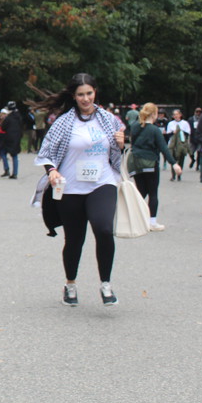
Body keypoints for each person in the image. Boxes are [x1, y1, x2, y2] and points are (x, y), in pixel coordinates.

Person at [36, 73, 125, 307]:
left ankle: (106, 284)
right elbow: (46, 152)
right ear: (74, 96)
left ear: (95, 92)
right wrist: (51, 170)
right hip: (71, 187)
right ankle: (70, 284)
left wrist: (122, 143)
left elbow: (119, 148)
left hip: (102, 182)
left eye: (89, 93)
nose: (86, 99)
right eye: (81, 94)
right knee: (74, 239)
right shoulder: (64, 122)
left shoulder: (109, 119)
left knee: (104, 228)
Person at [128, 103, 182, 231]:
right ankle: (152, 222)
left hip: (136, 162)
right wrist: (174, 163)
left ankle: (135, 218)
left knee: (141, 191)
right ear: (154, 114)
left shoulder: (135, 126)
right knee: (152, 192)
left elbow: (132, 143)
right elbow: (164, 148)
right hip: (150, 163)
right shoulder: (154, 130)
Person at [165, 109, 192, 181]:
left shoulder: (185, 123)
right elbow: (168, 134)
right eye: (174, 114)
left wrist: (180, 132)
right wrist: (173, 133)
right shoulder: (170, 123)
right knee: (173, 159)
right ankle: (173, 175)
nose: (176, 116)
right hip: (173, 144)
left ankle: (179, 175)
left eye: (177, 114)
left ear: (180, 115)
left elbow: (188, 133)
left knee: (181, 159)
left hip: (182, 143)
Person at [0, 101, 22, 179]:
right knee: (14, 155)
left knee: (3, 153)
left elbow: (3, 127)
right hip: (17, 137)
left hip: (8, 138)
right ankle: (15, 173)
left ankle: (6, 169)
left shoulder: (8, 118)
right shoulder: (19, 117)